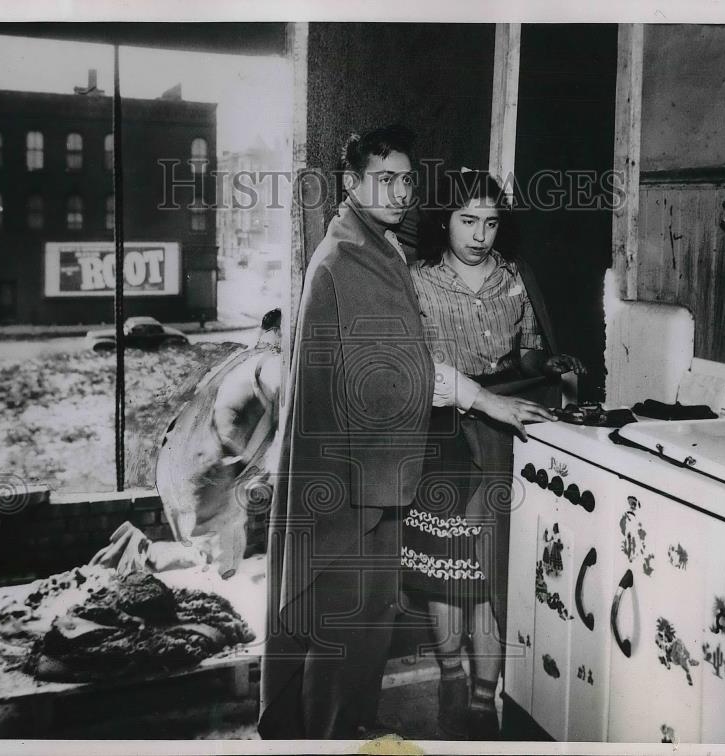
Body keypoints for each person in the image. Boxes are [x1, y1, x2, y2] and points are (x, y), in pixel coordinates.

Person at [258, 126, 554, 740]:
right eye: (383, 179)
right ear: (351, 183)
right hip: (348, 489)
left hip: (361, 478)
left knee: (353, 629)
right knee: (347, 628)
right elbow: (391, 376)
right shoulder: (350, 257)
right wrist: (485, 402)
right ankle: (334, 739)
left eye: (406, 180)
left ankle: (339, 731)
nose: (399, 193)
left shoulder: (373, 244)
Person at [402, 167, 586, 739]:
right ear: (444, 222)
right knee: (447, 570)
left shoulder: (515, 278)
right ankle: (451, 676)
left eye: (490, 221)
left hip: (503, 432)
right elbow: (409, 366)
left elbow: (528, 351)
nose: (481, 233)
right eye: (467, 220)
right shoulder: (416, 281)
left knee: (493, 570)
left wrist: (547, 365)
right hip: (442, 435)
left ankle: (485, 699)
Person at [90, 309, 283, 576]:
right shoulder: (272, 363)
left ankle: (140, 551)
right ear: (279, 333)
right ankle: (136, 550)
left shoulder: (250, 359)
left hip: (204, 461)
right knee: (212, 563)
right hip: (217, 467)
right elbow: (290, 404)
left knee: (221, 561)